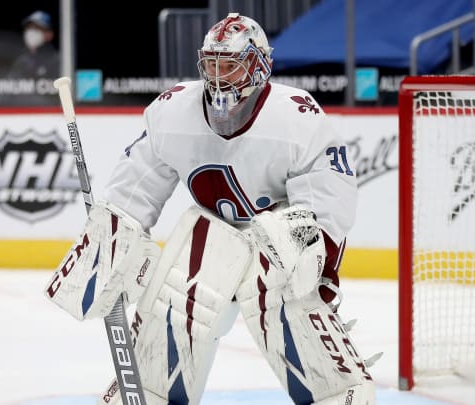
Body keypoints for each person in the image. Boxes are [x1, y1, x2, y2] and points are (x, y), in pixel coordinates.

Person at [44, 12, 377, 405]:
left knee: (291, 276)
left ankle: (335, 391)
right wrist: (109, 241)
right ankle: (153, 390)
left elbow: (327, 191)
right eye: (212, 64)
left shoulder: (294, 116)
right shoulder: (174, 111)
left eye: (231, 66)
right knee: (175, 293)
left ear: (257, 66)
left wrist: (321, 259)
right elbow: (136, 187)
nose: (219, 76)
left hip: (275, 240)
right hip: (213, 236)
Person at [7, 10, 59, 79]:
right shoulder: (21, 62)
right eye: (29, 28)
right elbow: (10, 85)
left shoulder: (57, 61)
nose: (31, 32)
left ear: (50, 34)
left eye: (36, 28)